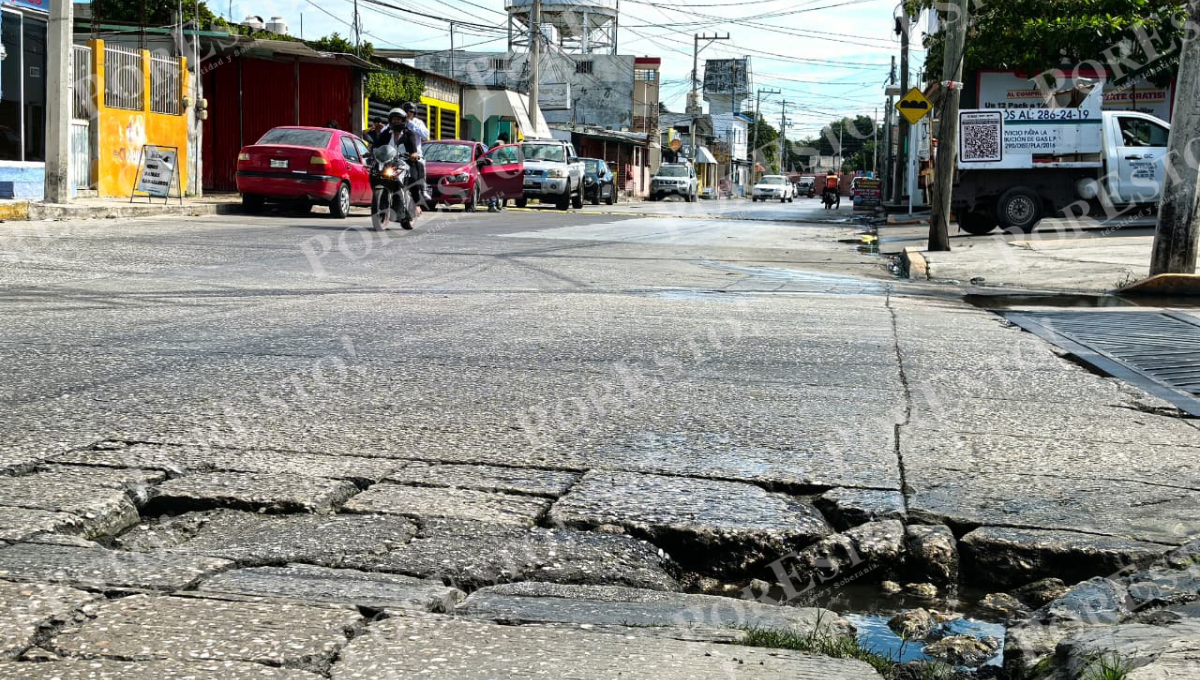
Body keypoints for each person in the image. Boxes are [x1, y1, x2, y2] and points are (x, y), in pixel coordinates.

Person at [377, 107, 424, 219]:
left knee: (413, 177)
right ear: (390, 120)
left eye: (398, 119)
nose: (396, 121)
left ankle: (416, 204)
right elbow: (377, 145)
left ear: (403, 120)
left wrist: (413, 154)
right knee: (375, 175)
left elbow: (413, 148)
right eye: (394, 119)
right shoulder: (386, 133)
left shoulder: (409, 134)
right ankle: (379, 201)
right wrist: (371, 151)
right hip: (388, 162)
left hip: (405, 162)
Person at [486, 133, 510, 212]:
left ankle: (495, 204)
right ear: (506, 140)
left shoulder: (493, 144)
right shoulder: (501, 145)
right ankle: (492, 205)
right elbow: (506, 157)